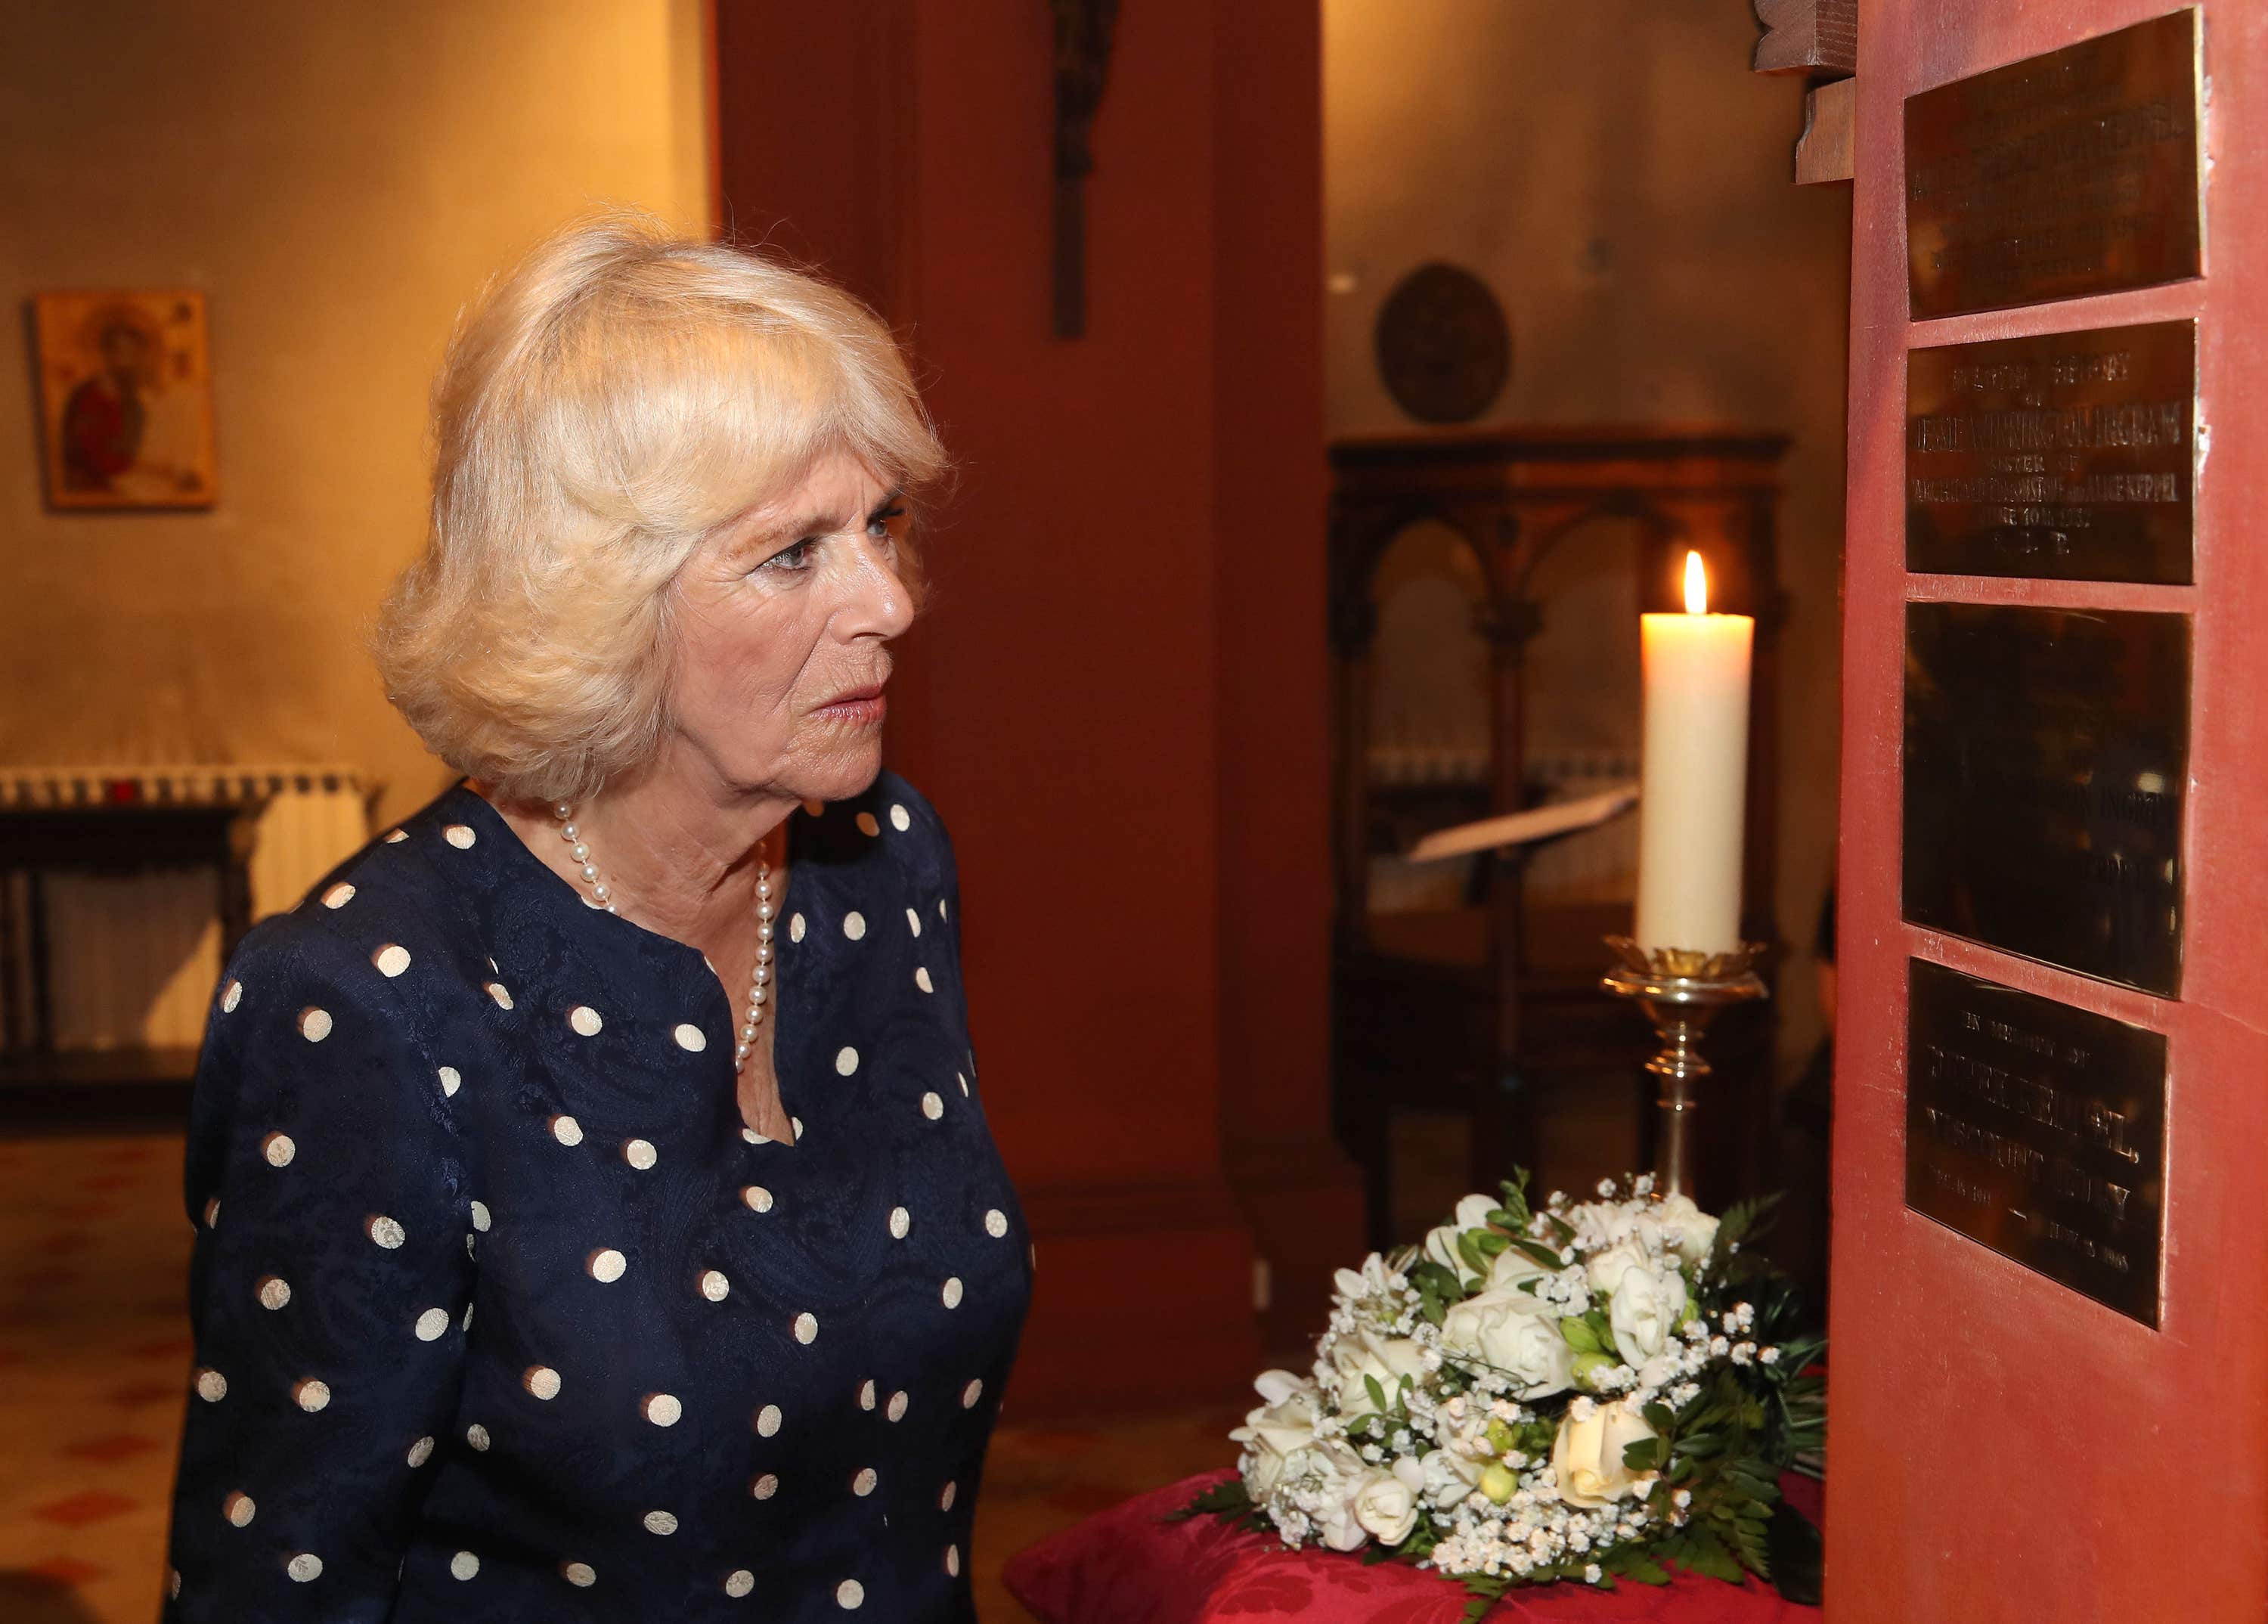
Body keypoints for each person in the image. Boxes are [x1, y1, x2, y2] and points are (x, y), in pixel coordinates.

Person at [162, 214, 1031, 1621]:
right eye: (793, 552)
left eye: (881, 525)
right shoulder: (370, 995)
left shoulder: (882, 867)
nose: (889, 601)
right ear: (596, 604)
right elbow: (283, 1574)